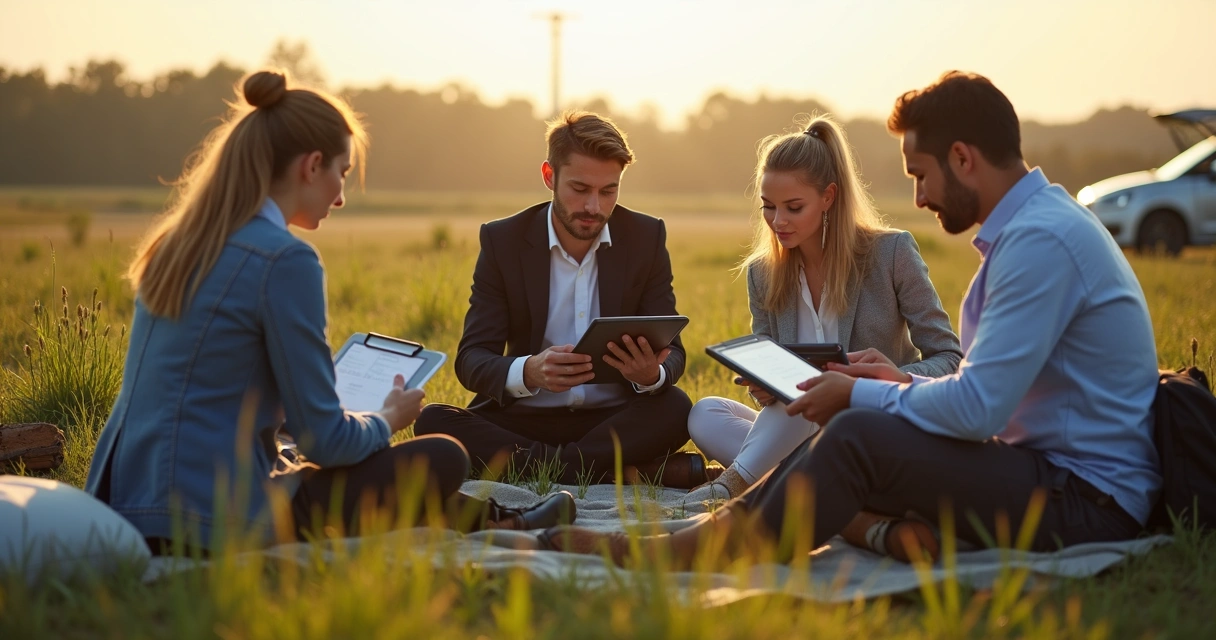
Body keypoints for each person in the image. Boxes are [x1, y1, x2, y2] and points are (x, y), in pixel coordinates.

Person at [538, 71, 1160, 566]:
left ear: (964, 159)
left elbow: (978, 410)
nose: (918, 197)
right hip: (1043, 471)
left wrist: (864, 392)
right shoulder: (1034, 231)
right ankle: (868, 530)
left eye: (921, 175)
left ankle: (694, 547)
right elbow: (983, 396)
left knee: (856, 438)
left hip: (1085, 497)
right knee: (847, 446)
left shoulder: (1041, 244)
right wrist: (897, 387)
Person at [85, 70, 573, 554]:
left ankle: (498, 519)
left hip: (122, 503)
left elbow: (216, 398)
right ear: (311, 165)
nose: (340, 195)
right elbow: (327, 443)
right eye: (341, 172)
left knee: (316, 460)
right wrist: (386, 416)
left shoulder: (177, 244)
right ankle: (504, 519)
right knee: (441, 455)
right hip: (211, 517)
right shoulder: (285, 258)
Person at [414, 111, 703, 488]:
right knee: (433, 420)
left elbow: (674, 353)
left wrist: (650, 376)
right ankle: (618, 472)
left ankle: (545, 469)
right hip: (522, 420)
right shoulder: (503, 241)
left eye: (608, 191)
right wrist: (529, 371)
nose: (594, 207)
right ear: (550, 176)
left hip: (610, 420)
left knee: (676, 407)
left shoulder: (646, 237)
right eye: (580, 189)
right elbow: (472, 360)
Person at [688, 114, 961, 500]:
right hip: (797, 424)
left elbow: (949, 358)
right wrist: (763, 389)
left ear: (828, 197)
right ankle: (796, 476)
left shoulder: (891, 252)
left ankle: (733, 484)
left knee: (809, 398)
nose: (777, 222)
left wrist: (884, 379)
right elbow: (770, 385)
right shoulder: (763, 273)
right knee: (706, 413)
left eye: (793, 207)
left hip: (873, 419)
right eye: (768, 207)